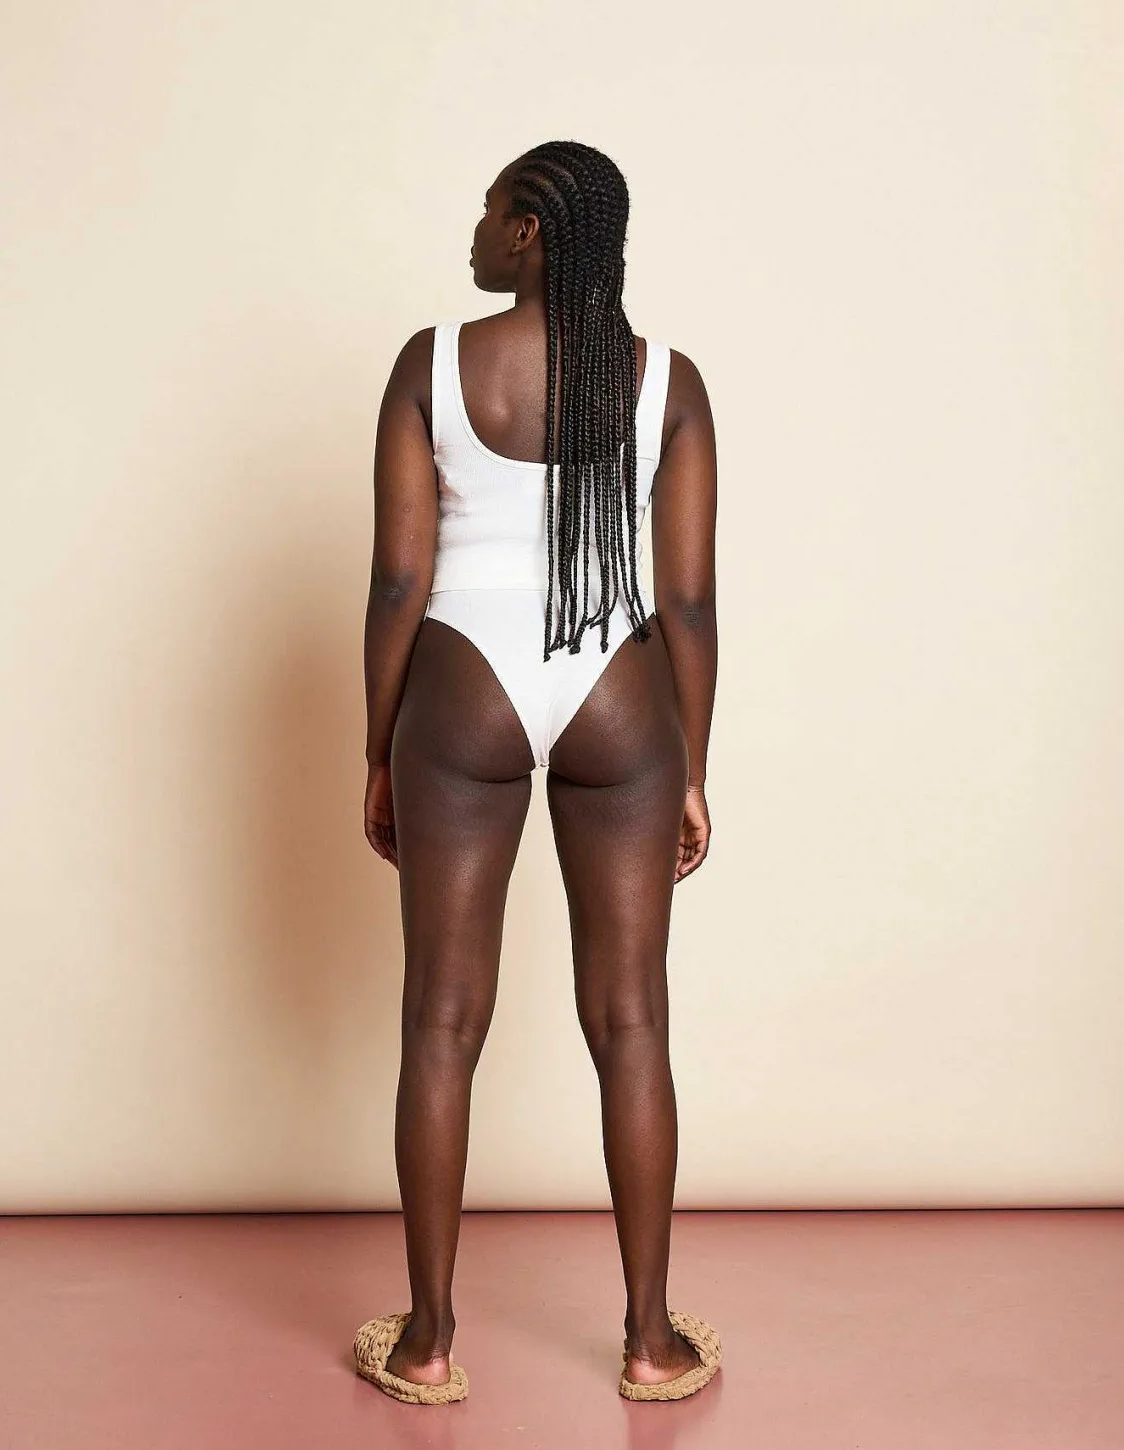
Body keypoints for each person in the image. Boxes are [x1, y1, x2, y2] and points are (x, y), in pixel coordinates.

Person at [354, 140, 719, 1406]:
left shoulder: (430, 364)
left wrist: (379, 747)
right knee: (631, 1020)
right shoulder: (664, 380)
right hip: (618, 687)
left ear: (525, 232)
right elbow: (686, 601)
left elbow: (398, 580)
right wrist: (689, 767)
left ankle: (427, 1342)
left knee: (441, 1020)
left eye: (488, 209)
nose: (473, 228)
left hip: (462, 684)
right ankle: (649, 1341)